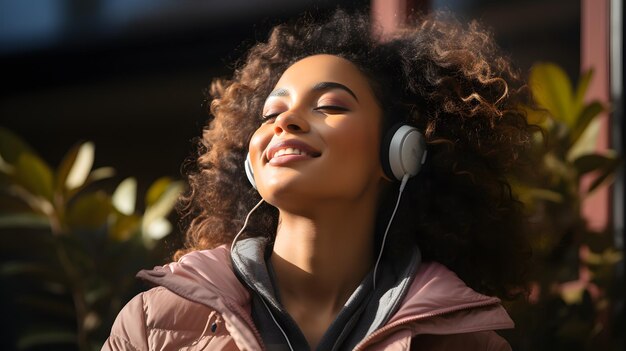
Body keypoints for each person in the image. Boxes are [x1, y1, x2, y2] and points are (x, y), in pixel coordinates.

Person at [103, 9, 532, 351]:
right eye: (271, 114)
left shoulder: (466, 343)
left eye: (329, 106)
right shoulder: (151, 323)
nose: (285, 121)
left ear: (401, 152)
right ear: (252, 164)